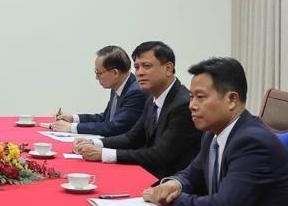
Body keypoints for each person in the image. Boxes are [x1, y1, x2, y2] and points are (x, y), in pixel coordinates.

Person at [142, 57, 288, 206]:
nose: (191, 105)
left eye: (200, 97)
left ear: (232, 100)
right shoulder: (212, 133)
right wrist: (174, 184)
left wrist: (168, 200)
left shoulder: (252, 142)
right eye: (191, 97)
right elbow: (192, 174)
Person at [74, 41, 200, 180]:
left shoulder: (183, 105)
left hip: (170, 182)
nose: (140, 73)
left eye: (147, 66)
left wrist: (104, 154)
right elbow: (132, 138)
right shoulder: (152, 97)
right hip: (150, 174)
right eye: (137, 67)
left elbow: (159, 155)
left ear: (168, 69)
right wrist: (94, 143)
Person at [51, 45, 145, 136]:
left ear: (115, 73)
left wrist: (72, 127)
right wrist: (73, 118)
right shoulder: (118, 86)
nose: (96, 78)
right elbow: (105, 118)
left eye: (99, 73)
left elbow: (115, 127)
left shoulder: (135, 92)